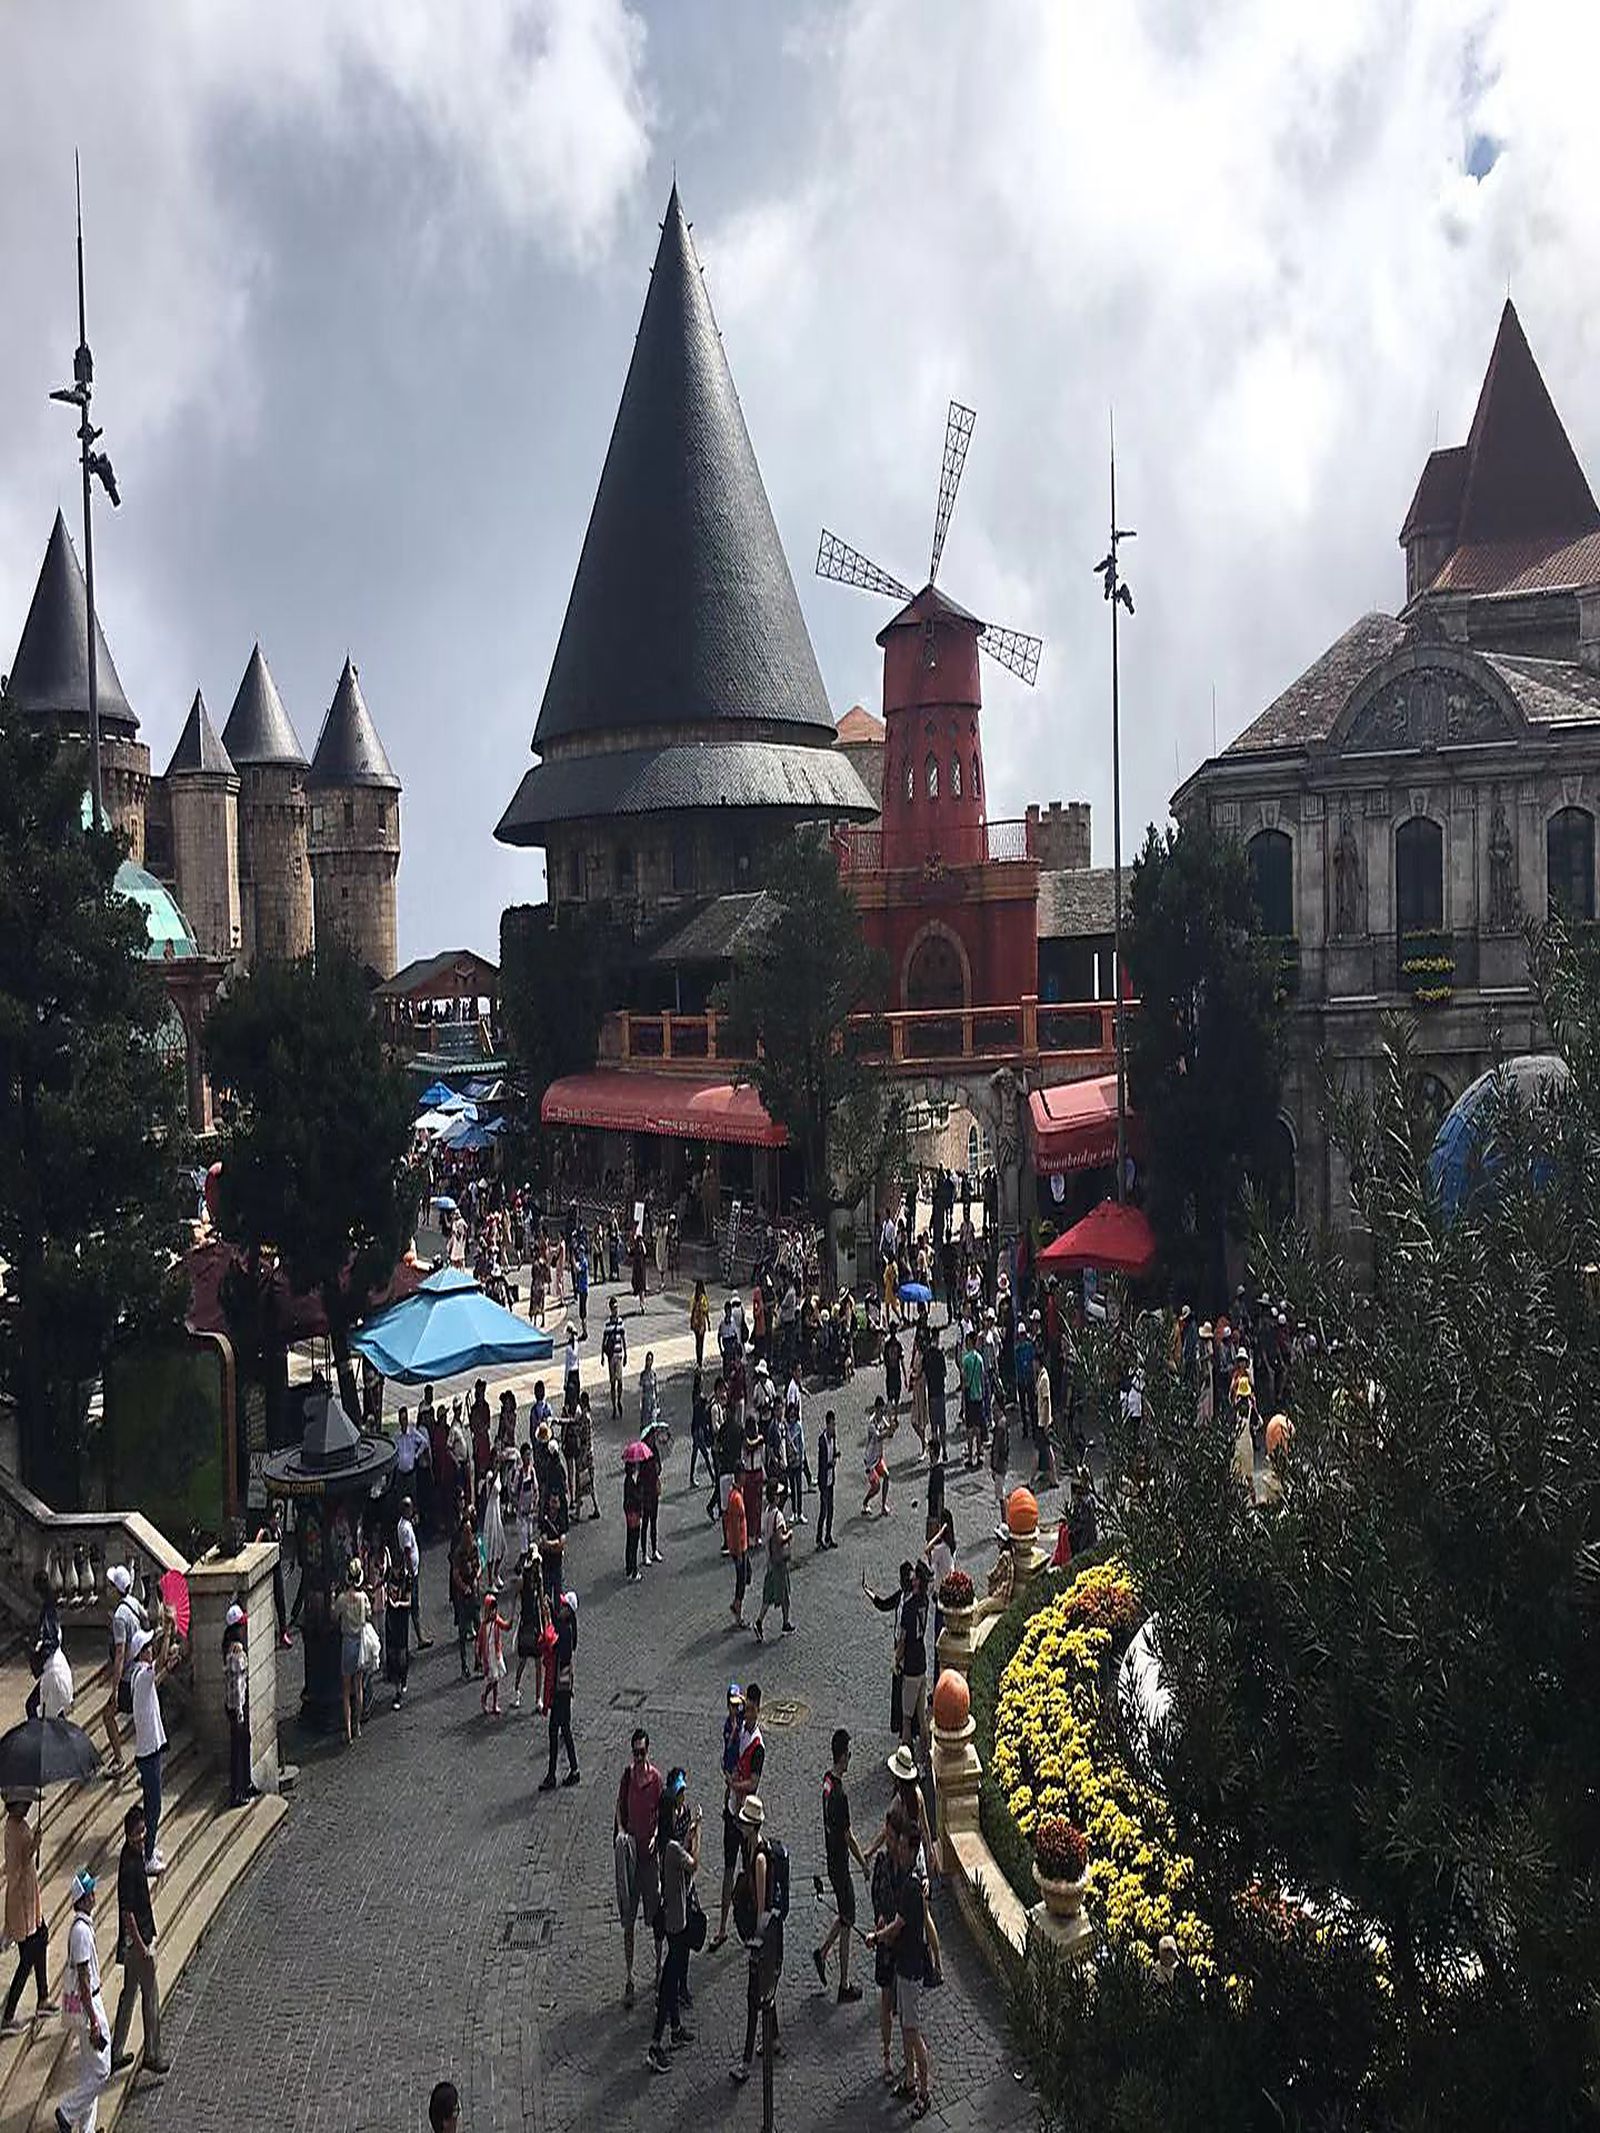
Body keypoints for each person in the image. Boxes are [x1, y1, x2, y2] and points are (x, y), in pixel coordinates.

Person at [867, 1814, 932, 2115]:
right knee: (908, 2028)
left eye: (904, 1847)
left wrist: (876, 1936)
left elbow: (897, 1928)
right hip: (906, 1966)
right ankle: (910, 2082)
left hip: (910, 1968)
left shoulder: (909, 1886)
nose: (900, 1851)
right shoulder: (909, 1881)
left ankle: (924, 2091)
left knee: (913, 2032)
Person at [108, 1804, 167, 2079]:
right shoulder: (130, 1866)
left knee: (128, 1995)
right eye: (138, 1832)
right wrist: (143, 1948)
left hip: (133, 1942)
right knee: (150, 1995)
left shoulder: (129, 1856)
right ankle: (152, 2053)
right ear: (129, 1835)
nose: (142, 1836)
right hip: (138, 1942)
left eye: (143, 1830)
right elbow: (127, 1912)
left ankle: (116, 2052)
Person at [646, 1769, 700, 2071]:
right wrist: (698, 1833)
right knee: (669, 1981)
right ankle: (656, 2043)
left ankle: (675, 2029)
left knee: (673, 1972)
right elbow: (695, 1865)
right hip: (676, 1921)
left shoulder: (666, 1845)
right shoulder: (672, 1849)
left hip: (673, 1915)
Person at [728, 1793, 783, 2085]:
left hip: (764, 1936)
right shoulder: (749, 1848)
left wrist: (756, 1945)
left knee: (754, 1997)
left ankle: (746, 2062)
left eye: (744, 1822)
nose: (741, 1825)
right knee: (765, 1990)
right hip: (764, 1935)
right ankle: (773, 2040)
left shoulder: (759, 1857)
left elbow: (762, 1906)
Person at [813, 1728, 868, 2001]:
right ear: (843, 1755)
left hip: (832, 1859)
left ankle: (822, 1953)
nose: (850, 1758)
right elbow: (848, 1836)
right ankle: (844, 1984)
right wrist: (864, 1864)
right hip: (841, 1864)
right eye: (850, 1753)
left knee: (845, 1915)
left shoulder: (827, 1783)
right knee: (849, 1919)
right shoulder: (840, 1796)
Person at [55, 1868, 110, 2131]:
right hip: (90, 2006)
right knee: (101, 2072)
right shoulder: (81, 1933)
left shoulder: (83, 1928)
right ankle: (66, 2112)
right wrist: (95, 2021)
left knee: (90, 2073)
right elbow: (84, 1980)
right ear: (84, 1898)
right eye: (90, 1892)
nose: (94, 1895)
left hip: (90, 2004)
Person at [614, 1727, 664, 2009]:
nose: (639, 1758)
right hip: (632, 1856)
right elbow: (619, 1808)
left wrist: (656, 1835)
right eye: (636, 1753)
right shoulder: (627, 1776)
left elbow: (660, 1812)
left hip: (650, 1857)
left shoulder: (655, 1779)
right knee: (628, 1918)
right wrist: (622, 1831)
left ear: (648, 1751)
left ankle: (657, 1968)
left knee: (655, 1915)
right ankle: (630, 1977)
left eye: (643, 1752)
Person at [712, 1681, 763, 1950]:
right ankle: (721, 1928)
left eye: (751, 1710)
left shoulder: (758, 1744)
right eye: (747, 1708)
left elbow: (753, 1783)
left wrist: (733, 1785)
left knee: (750, 1872)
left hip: (747, 1817)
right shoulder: (739, 1727)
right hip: (731, 1810)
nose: (748, 1714)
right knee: (729, 1870)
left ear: (759, 1709)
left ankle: (752, 1926)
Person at [1, 1793, 56, 2035]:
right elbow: (18, 1865)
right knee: (31, 1951)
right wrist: (34, 1844)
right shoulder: (14, 1831)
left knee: (39, 1938)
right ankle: (9, 2014)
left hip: (29, 1899)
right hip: (22, 1901)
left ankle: (43, 1997)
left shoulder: (16, 1826)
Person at [126, 1622, 172, 1875]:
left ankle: (150, 1847)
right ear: (142, 1652)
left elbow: (159, 1676)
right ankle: (148, 1852)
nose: (152, 1649)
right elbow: (159, 1664)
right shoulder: (142, 1675)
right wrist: (169, 1629)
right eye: (148, 1647)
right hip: (148, 1751)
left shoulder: (140, 1677)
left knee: (153, 1802)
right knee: (154, 1805)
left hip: (149, 1747)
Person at [101, 1564, 144, 1776]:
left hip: (128, 1676)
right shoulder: (134, 1604)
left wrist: (115, 1689)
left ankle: (119, 1760)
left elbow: (119, 1654)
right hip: (140, 1671)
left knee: (108, 1715)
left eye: (110, 1586)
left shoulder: (119, 1616)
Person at [539, 1588, 580, 1790]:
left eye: (563, 1606)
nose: (561, 1607)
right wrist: (551, 1609)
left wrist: (548, 1617)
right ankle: (569, 1770)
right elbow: (557, 1621)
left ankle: (555, 1774)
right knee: (562, 1729)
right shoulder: (568, 1629)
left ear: (568, 1611)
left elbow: (551, 1638)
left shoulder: (564, 1632)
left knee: (556, 1729)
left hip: (560, 1689)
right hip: (564, 1687)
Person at [335, 1559, 371, 1744]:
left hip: (347, 1642)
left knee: (346, 1689)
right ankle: (357, 1725)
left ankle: (347, 1729)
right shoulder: (363, 1598)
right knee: (358, 1687)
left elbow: (335, 1615)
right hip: (360, 1644)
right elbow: (369, 1614)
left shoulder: (342, 1599)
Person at [896, 1562, 931, 1751]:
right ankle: (925, 1757)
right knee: (922, 1717)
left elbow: (902, 1640)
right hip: (922, 1663)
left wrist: (896, 1660)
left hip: (910, 1665)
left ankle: (905, 1759)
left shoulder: (909, 1607)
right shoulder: (925, 1601)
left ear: (917, 1581)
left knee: (907, 1719)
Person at [753, 1481, 793, 1642]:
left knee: (768, 1594)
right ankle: (785, 1623)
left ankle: (759, 1621)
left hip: (770, 1559)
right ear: (774, 1497)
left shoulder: (766, 1513)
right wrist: (788, 1535)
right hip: (779, 1560)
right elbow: (779, 1538)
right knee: (785, 1592)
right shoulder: (778, 1515)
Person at [222, 1605, 253, 1806]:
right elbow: (237, 1683)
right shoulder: (235, 1652)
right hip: (236, 1707)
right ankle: (237, 1792)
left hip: (235, 1704)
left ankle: (246, 1783)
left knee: (244, 1742)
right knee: (238, 1748)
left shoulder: (229, 1646)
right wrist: (240, 1712)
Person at [511, 1546, 548, 1713]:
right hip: (525, 1622)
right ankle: (516, 1689)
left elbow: (541, 1602)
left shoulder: (539, 1579)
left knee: (539, 1661)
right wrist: (512, 1617)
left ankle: (538, 1698)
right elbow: (515, 1598)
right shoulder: (522, 1580)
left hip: (535, 1623)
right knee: (523, 1659)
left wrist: (546, 1623)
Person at [394, 1495, 431, 1651]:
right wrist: (410, 1571)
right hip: (411, 1572)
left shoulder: (405, 1525)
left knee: (414, 1605)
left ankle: (418, 1636)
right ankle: (419, 1638)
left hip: (412, 1570)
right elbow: (408, 1551)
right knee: (413, 1605)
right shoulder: (404, 1529)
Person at [449, 1512, 480, 1681]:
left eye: (471, 1532)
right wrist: (464, 1587)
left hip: (473, 1592)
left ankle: (479, 1660)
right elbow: (455, 1574)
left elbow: (479, 1565)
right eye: (467, 1532)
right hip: (462, 1596)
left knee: (479, 1625)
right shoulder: (458, 1552)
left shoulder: (474, 1547)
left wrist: (476, 1579)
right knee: (462, 1632)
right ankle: (464, 1665)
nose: (469, 1535)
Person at [383, 1550, 412, 1712]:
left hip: (401, 1618)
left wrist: (398, 1604)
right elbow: (386, 1588)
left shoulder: (406, 1579)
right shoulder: (389, 1575)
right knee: (392, 1653)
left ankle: (401, 1684)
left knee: (401, 1654)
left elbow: (408, 1602)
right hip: (391, 1618)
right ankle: (397, 1685)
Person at [477, 1592, 511, 1718]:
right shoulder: (483, 1626)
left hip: (496, 1654)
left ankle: (494, 1703)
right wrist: (479, 1657)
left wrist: (510, 1620)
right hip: (489, 1656)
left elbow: (505, 1626)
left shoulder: (496, 1621)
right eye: (491, 1610)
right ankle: (485, 1696)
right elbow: (480, 1643)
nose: (493, 1612)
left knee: (496, 1680)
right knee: (493, 1680)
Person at [862, 1395, 893, 1518]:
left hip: (878, 1458)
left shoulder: (882, 1419)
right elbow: (879, 1436)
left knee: (886, 1476)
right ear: (876, 1409)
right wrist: (889, 1432)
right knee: (876, 1487)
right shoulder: (871, 1423)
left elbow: (888, 1430)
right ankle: (865, 1502)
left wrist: (892, 1427)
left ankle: (883, 1506)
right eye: (880, 1411)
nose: (881, 1413)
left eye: (882, 1411)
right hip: (870, 1461)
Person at [782, 1369, 806, 1524]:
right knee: (793, 1486)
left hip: (797, 1460)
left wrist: (802, 1457)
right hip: (791, 1461)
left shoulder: (798, 1426)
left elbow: (801, 1443)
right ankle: (794, 1512)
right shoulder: (786, 1427)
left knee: (798, 1487)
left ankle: (800, 1512)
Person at [602, 1298, 629, 1423]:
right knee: (613, 1382)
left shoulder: (621, 1322)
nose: (616, 1310)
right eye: (614, 1308)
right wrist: (602, 1356)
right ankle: (614, 1406)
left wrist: (626, 1353)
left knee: (620, 1381)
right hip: (611, 1356)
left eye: (617, 1308)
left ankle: (619, 1400)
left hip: (619, 1355)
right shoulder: (607, 1324)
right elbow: (604, 1341)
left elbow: (623, 1338)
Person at [815, 1408, 838, 1550]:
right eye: (832, 1424)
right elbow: (822, 1463)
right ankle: (819, 1538)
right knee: (823, 1510)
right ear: (827, 1424)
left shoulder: (833, 1437)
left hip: (830, 1480)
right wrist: (831, 1463)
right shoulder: (822, 1441)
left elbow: (834, 1451)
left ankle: (828, 1536)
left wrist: (836, 1455)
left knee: (831, 1509)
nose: (834, 1427)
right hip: (824, 1480)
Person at [690, 1278, 711, 1375]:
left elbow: (691, 1310)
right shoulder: (703, 1298)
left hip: (695, 1322)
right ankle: (700, 1361)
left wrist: (691, 1322)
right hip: (701, 1323)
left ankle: (698, 1361)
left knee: (697, 1342)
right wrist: (709, 1322)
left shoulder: (694, 1297)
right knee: (701, 1343)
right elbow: (706, 1311)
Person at [573, 1237, 590, 1338]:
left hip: (584, 1289)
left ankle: (585, 1332)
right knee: (581, 1313)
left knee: (583, 1313)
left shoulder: (584, 1262)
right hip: (581, 1289)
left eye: (580, 1252)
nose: (579, 1254)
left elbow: (578, 1269)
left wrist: (573, 1262)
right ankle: (584, 1331)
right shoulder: (581, 1261)